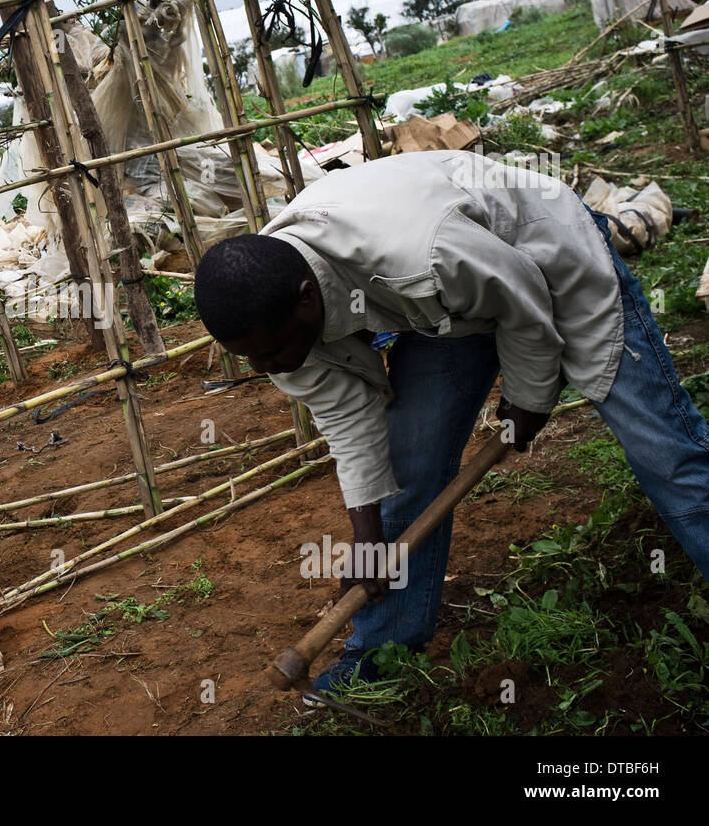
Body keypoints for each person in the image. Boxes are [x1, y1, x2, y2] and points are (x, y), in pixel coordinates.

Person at [192, 149, 709, 698]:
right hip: (446, 312)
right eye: (249, 359)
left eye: (271, 353)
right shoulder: (267, 314)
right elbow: (347, 419)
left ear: (305, 302)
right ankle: (382, 653)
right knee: (409, 463)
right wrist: (368, 541)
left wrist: (527, 398)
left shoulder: (419, 251)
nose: (264, 368)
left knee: (663, 452)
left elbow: (525, 298)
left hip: (545, 258)